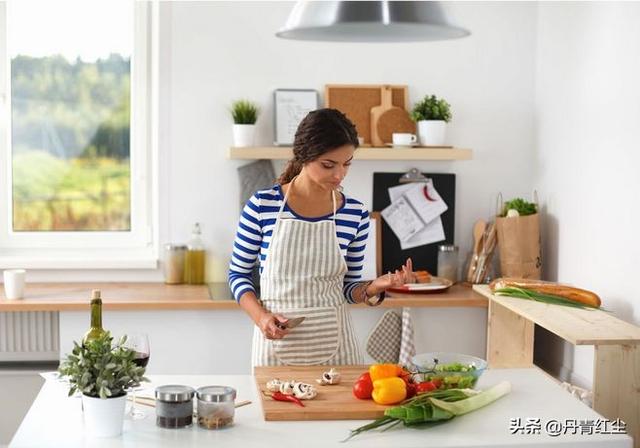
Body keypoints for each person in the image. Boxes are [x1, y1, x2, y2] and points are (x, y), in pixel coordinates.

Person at [228, 108, 415, 367]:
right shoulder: (262, 205)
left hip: (339, 350)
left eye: (347, 163)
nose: (339, 175)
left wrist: (375, 286)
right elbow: (238, 275)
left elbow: (348, 290)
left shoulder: (355, 214)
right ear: (305, 156)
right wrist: (261, 318)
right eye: (328, 165)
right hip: (276, 349)